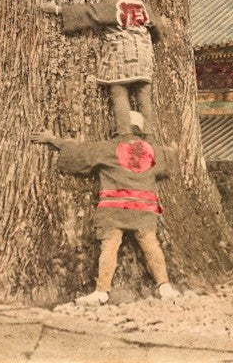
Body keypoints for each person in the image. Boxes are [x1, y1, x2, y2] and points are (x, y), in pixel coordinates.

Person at [30, 111, 177, 305]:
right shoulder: (153, 150)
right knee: (151, 245)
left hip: (114, 208)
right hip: (144, 208)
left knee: (109, 247)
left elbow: (78, 155)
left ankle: (102, 291)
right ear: (140, 130)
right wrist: (174, 150)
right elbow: (169, 161)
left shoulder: (108, 148)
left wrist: (53, 138)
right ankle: (165, 287)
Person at [40, 0, 161, 135]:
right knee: (143, 93)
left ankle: (124, 134)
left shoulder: (114, 4)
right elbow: (157, 29)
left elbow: (90, 12)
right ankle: (149, 134)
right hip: (144, 52)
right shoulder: (143, 5)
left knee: (119, 91)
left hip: (123, 52)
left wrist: (57, 9)